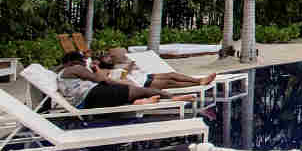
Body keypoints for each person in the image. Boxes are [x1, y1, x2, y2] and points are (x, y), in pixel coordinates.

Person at [57, 52, 194, 109]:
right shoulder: (75, 68)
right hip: (91, 96)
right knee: (138, 90)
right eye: (82, 61)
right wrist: (98, 71)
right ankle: (173, 97)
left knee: (134, 91)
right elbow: (100, 79)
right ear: (73, 62)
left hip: (87, 99)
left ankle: (140, 101)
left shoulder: (63, 73)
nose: (83, 64)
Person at [98, 48, 216, 91]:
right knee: (169, 82)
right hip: (139, 84)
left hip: (140, 77)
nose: (108, 58)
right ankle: (198, 82)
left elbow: (120, 55)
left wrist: (130, 66)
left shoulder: (113, 66)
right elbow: (121, 79)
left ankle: (199, 80)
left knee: (170, 74)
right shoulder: (103, 72)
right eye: (106, 58)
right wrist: (128, 68)